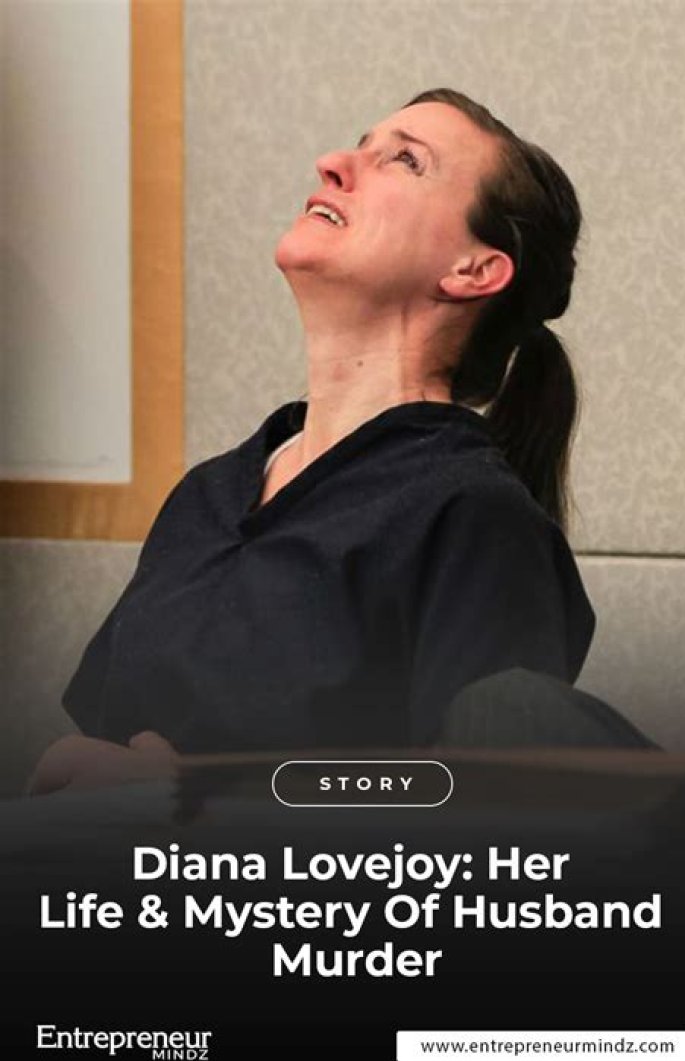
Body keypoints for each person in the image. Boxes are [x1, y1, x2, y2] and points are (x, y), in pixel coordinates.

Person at [29, 88, 598, 794]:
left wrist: (191, 815)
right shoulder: (209, 493)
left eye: (405, 161)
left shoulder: (476, 518)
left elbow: (486, 821)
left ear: (474, 270)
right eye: (359, 145)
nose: (332, 164)